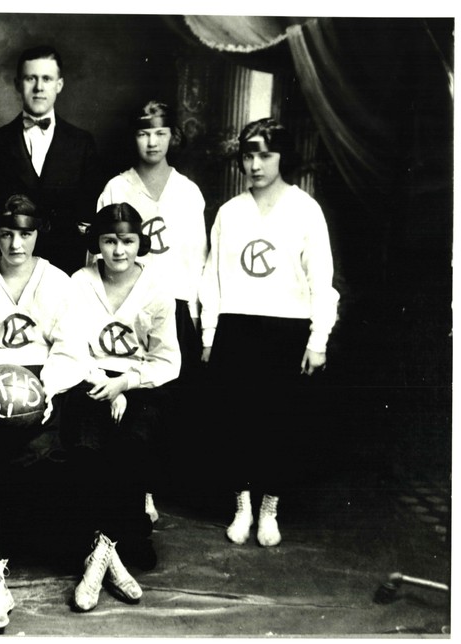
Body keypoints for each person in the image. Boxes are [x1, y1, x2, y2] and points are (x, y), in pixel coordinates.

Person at [0, 194, 88, 633]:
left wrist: (42, 393)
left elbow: (70, 351)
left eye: (25, 234)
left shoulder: (58, 280)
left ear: (37, 234)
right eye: (6, 234)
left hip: (41, 387)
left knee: (33, 460)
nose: (15, 244)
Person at [199, 117, 340, 547]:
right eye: (248, 155)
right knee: (234, 421)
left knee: (280, 424)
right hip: (237, 327)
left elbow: (322, 279)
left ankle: (269, 510)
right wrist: (209, 334)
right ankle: (241, 505)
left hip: (287, 330)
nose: (255, 164)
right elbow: (212, 277)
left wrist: (318, 340)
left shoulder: (305, 209)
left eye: (266, 154)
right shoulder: (229, 212)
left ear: (283, 157)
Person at [63, 202, 181, 612]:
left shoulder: (157, 289)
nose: (118, 251)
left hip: (142, 382)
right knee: (85, 443)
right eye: (109, 241)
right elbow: (71, 345)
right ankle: (110, 553)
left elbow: (167, 361)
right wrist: (103, 385)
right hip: (90, 378)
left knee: (135, 440)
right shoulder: (79, 281)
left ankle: (110, 546)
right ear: (97, 243)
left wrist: (126, 386)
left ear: (139, 244)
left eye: (127, 241)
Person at [95, 99, 207, 522]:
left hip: (174, 305)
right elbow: (98, 257)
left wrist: (196, 315)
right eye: (144, 133)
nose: (152, 141)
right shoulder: (116, 188)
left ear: (172, 137)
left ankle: (153, 487)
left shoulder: (188, 191)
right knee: (127, 398)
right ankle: (136, 488)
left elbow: (198, 258)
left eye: (160, 133)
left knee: (164, 401)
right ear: (133, 137)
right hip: (126, 306)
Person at [0, 45, 103, 275]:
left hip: (65, 267)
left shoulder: (82, 143)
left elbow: (87, 215)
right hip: (8, 267)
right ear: (17, 84)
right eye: (30, 78)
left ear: (59, 84)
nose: (39, 87)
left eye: (47, 78)